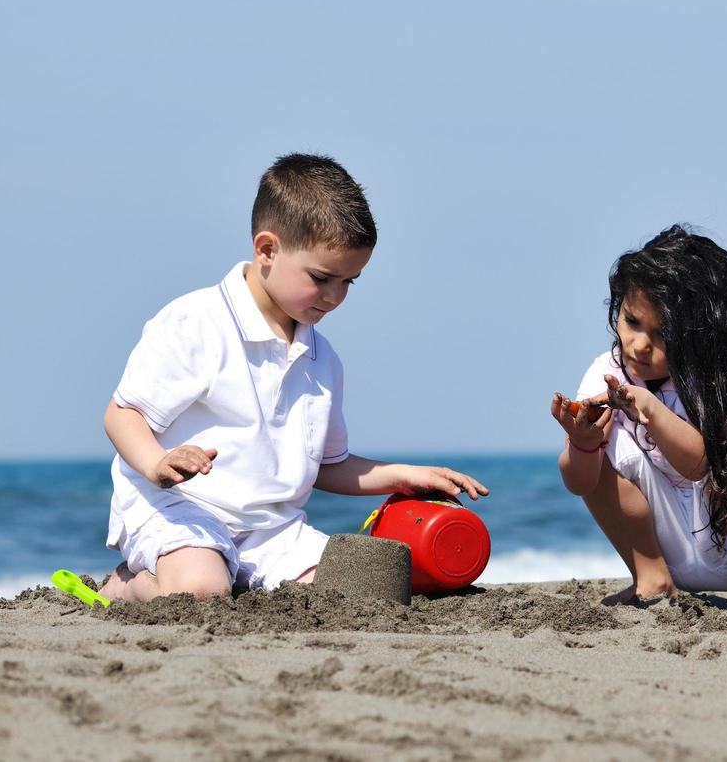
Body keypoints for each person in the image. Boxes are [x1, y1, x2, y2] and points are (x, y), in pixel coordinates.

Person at [99, 153, 487, 602]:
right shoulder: (196, 323)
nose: (335, 296)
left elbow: (328, 465)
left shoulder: (322, 360)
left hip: (273, 530)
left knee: (360, 590)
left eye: (349, 282)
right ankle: (128, 584)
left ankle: (231, 578)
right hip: (178, 508)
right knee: (201, 591)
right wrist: (156, 463)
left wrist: (402, 475)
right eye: (322, 278)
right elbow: (121, 414)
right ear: (267, 250)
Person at [550, 226, 727, 610]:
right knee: (610, 443)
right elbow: (579, 483)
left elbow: (701, 465)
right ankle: (651, 579)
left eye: (662, 333)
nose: (639, 344)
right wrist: (583, 444)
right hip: (667, 543)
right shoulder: (607, 371)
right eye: (632, 321)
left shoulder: (721, 378)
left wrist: (651, 411)